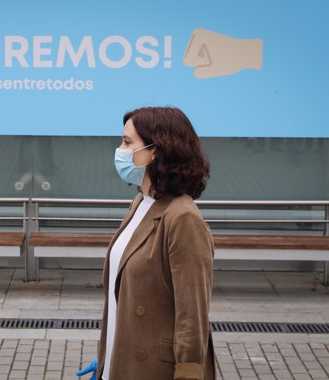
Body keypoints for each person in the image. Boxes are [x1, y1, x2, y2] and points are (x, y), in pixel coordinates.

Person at [78, 107, 215, 379]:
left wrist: (188, 373)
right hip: (122, 364)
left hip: (155, 369)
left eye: (128, 142)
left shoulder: (183, 217)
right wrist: (108, 359)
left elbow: (192, 314)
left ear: (156, 150)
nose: (120, 150)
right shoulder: (142, 202)